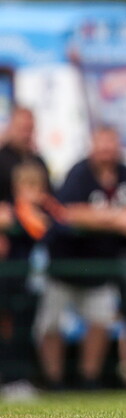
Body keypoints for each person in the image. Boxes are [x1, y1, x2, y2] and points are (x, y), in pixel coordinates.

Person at [37, 126, 126, 389]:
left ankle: (89, 380)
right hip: (66, 263)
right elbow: (67, 212)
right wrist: (115, 218)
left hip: (102, 266)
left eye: (111, 143)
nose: (106, 149)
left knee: (100, 323)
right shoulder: (79, 172)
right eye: (101, 143)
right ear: (92, 146)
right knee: (51, 326)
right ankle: (53, 382)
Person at [0, 107, 50, 400]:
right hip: (9, 263)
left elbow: (50, 214)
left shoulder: (38, 160)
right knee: (9, 322)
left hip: (30, 269)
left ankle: (18, 378)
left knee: (24, 323)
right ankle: (11, 378)